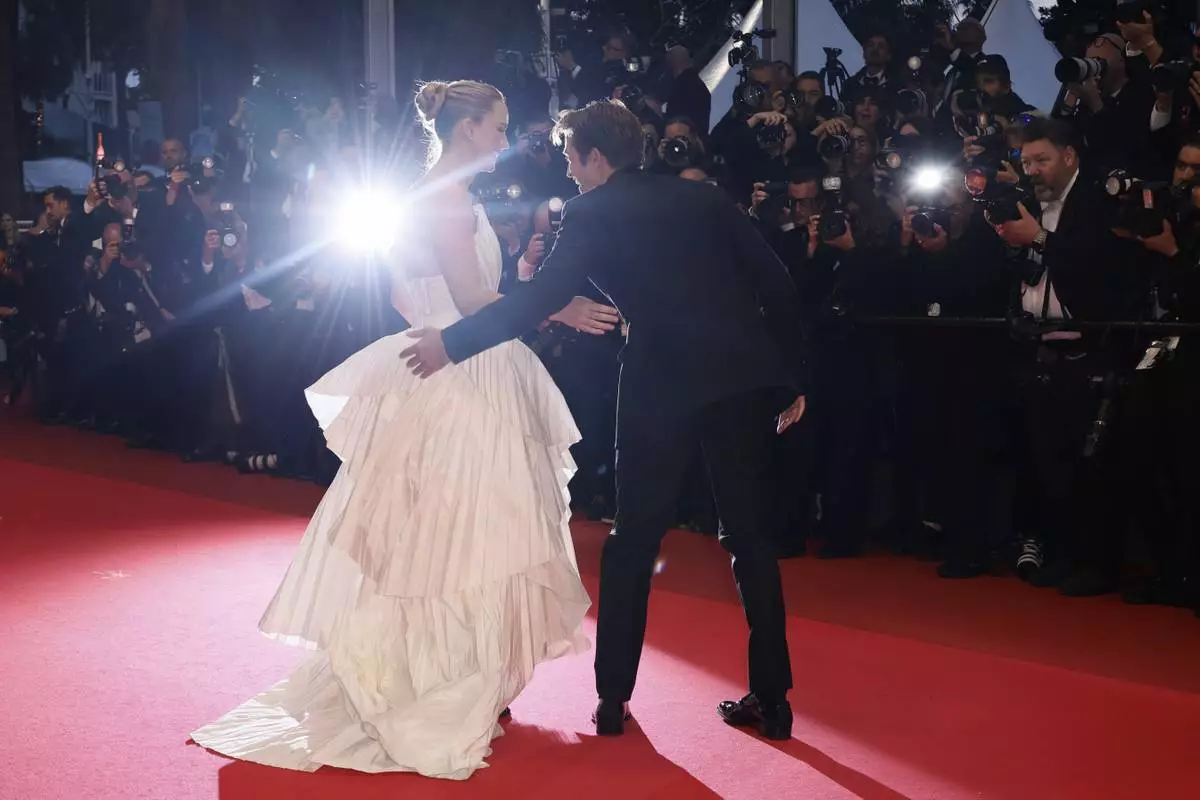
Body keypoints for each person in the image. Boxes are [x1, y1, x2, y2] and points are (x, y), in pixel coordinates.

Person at [191, 80, 621, 780]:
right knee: (464, 531)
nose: (506, 138)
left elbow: (405, 292)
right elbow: (475, 297)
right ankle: (444, 682)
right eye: (498, 125)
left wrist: (449, 317)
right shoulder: (447, 198)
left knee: (445, 529)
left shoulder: (430, 195)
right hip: (464, 369)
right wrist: (560, 306)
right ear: (467, 129)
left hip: (448, 360)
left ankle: (457, 674)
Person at [401, 100, 808, 741]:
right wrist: (792, 377)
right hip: (744, 379)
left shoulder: (590, 212)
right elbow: (777, 285)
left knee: (634, 541)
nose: (566, 170)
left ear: (595, 156)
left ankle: (613, 701)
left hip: (659, 385)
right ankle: (775, 701)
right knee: (751, 539)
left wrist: (451, 345)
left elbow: (540, 297)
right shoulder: (703, 199)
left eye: (569, 157)